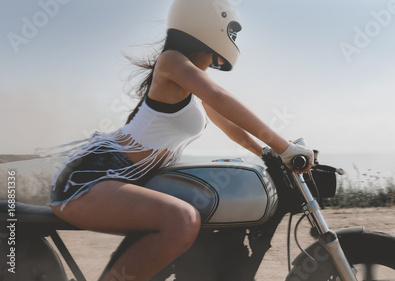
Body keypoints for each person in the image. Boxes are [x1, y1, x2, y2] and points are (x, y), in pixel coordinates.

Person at [49, 0, 314, 280]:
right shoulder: (172, 61)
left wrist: (265, 152)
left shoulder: (190, 84)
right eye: (230, 32)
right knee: (182, 220)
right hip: (92, 176)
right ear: (210, 26)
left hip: (124, 178)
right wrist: (285, 147)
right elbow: (220, 98)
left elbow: (227, 121)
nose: (230, 43)